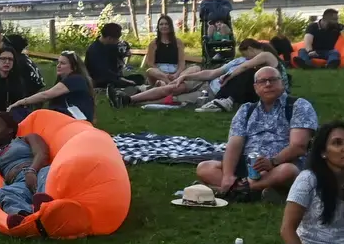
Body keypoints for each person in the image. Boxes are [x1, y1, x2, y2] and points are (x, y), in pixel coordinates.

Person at [194, 66, 315, 200]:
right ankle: (256, 190)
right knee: (204, 168)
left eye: (272, 80)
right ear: (256, 87)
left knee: (288, 171)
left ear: (282, 83)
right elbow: (234, 144)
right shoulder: (246, 110)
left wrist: (272, 162)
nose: (268, 84)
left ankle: (236, 190)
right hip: (249, 166)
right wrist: (228, 175)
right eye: (262, 81)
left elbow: (299, 146)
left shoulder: (298, 106)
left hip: (280, 164)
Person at [112, 40, 279, 110]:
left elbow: (246, 69)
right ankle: (129, 99)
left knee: (174, 100)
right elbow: (213, 72)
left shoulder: (260, 65)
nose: (246, 57)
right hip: (208, 82)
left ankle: (131, 100)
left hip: (213, 93)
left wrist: (229, 77)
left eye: (247, 54)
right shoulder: (238, 60)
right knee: (173, 87)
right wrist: (186, 76)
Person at [0, 111, 53, 230]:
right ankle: (26, 216)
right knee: (2, 193)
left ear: (10, 130)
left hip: (38, 172)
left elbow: (42, 154)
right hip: (19, 184)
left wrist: (31, 171)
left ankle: (46, 207)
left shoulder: (27, 139)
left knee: (48, 172)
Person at [13, 50, 96, 122]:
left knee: (19, 113)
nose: (58, 66)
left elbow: (45, 95)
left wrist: (20, 102)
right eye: (58, 62)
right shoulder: (68, 80)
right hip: (66, 117)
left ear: (73, 67)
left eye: (63, 63)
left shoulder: (76, 79)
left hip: (74, 120)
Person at [82, 22, 136, 90]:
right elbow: (103, 72)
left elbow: (123, 51)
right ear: (109, 38)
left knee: (138, 78)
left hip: (114, 76)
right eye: (116, 39)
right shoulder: (94, 50)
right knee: (129, 84)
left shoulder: (110, 45)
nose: (117, 41)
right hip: (101, 79)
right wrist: (121, 78)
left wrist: (125, 52)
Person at [141, 15, 187, 86]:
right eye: (161, 24)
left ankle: (173, 81)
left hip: (175, 71)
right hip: (159, 72)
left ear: (170, 26)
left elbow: (181, 62)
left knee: (196, 68)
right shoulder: (153, 43)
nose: (164, 26)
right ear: (158, 27)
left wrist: (176, 74)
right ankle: (169, 83)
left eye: (166, 24)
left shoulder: (178, 42)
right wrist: (163, 74)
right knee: (150, 71)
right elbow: (150, 63)